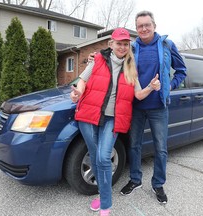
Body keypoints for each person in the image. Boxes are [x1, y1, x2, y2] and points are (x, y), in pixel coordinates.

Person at [70, 27, 161, 216]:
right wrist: (77, 91)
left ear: (129, 46)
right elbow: (82, 80)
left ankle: (106, 205)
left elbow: (138, 94)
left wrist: (151, 88)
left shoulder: (131, 68)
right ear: (111, 44)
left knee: (104, 157)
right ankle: (103, 198)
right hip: (88, 115)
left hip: (113, 119)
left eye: (125, 44)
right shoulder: (98, 60)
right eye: (119, 43)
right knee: (95, 157)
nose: (122, 47)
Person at [119, 11, 187, 204]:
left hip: (158, 106)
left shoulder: (167, 45)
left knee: (160, 148)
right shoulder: (132, 48)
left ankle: (158, 183)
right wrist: (94, 58)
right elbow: (115, 63)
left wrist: (169, 86)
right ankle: (135, 179)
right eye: (140, 26)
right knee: (134, 145)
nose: (144, 29)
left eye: (147, 25)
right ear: (136, 28)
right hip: (137, 105)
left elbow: (181, 71)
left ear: (154, 25)